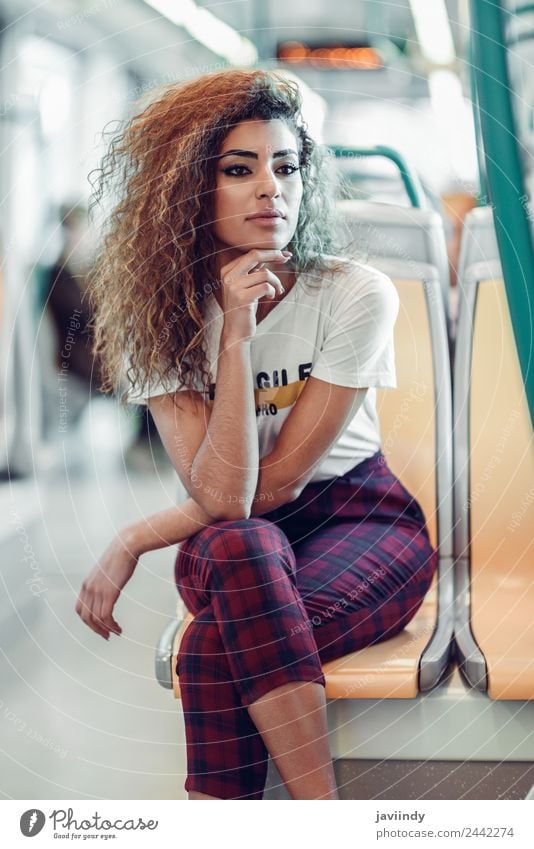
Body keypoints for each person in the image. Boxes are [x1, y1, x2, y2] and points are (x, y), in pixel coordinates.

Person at [75, 69, 438, 801]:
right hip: (228, 535)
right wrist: (235, 336)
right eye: (239, 170)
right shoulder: (160, 319)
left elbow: (272, 486)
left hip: (361, 517)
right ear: (188, 192)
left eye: (285, 166)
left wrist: (132, 537)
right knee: (240, 546)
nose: (271, 188)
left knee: (213, 643)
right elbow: (222, 497)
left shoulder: (353, 292)